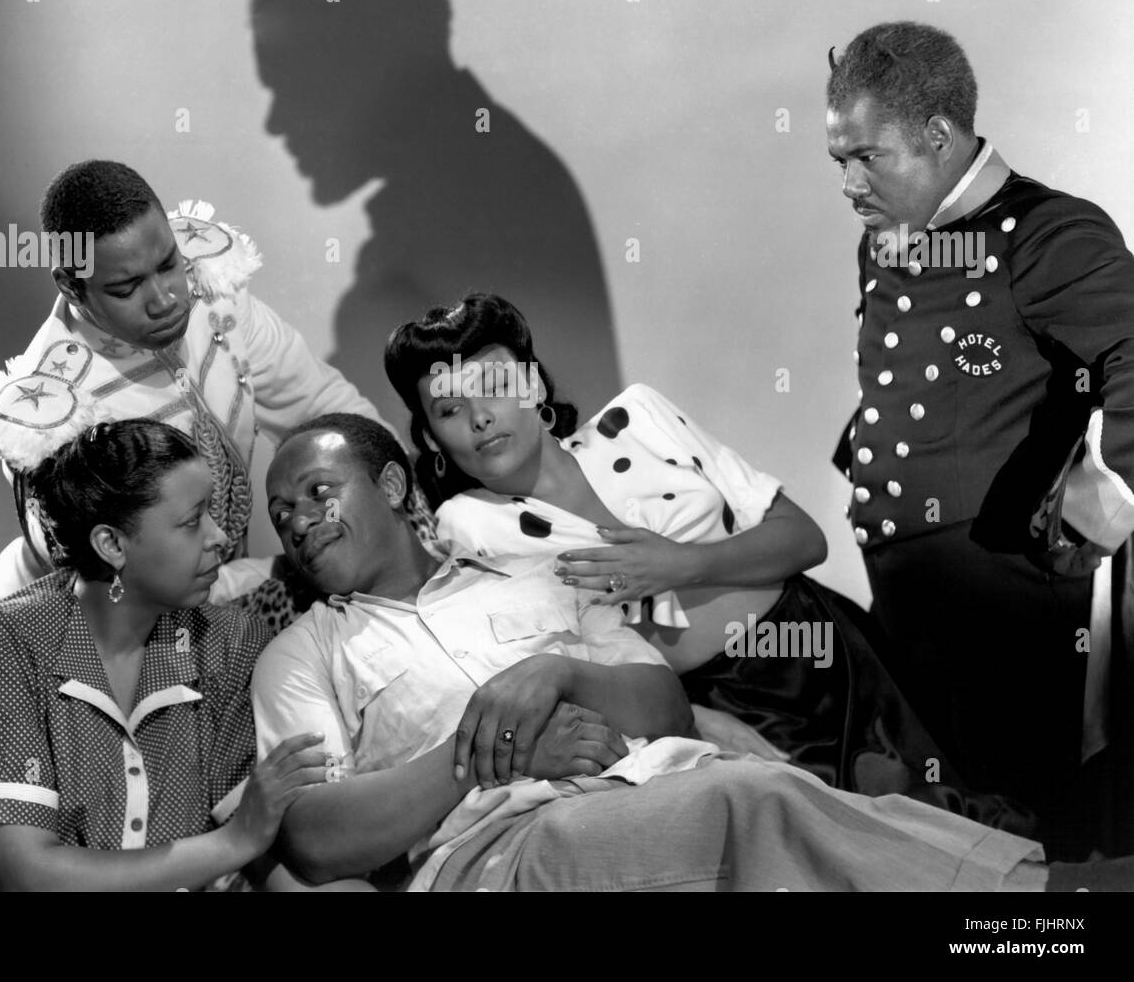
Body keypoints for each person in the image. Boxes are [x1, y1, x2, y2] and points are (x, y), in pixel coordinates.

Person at [251, 413, 1131, 891]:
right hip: (506, 846)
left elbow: (661, 703)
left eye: (317, 492)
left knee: (788, 795)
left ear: (395, 486)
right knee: (752, 802)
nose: (297, 521)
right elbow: (316, 837)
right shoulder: (303, 651)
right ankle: (1055, 902)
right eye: (283, 512)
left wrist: (558, 674)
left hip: (659, 776)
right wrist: (495, 749)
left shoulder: (533, 572)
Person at [381, 293, 1028, 830]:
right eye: (448, 409)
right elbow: (571, 656)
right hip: (725, 706)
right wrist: (700, 721)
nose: (480, 418)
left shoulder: (637, 418)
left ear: (531, 380)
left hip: (827, 642)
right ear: (432, 437)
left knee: (975, 815)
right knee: (877, 847)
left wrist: (679, 564)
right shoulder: (471, 527)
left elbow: (804, 538)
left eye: (492, 386)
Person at [825, 21, 1134, 856]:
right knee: (946, 831)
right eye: (838, 160)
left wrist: (1104, 501)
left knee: (1030, 838)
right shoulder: (885, 234)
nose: (849, 183)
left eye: (866, 158)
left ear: (939, 133)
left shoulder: (1050, 231)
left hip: (1007, 599)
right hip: (910, 587)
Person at [0, 419, 329, 892]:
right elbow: (32, 877)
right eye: (193, 521)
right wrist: (233, 843)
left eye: (211, 511)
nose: (220, 537)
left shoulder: (230, 644)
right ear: (111, 544)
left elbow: (264, 845)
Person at [0, 159, 386, 609]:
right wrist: (277, 575)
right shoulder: (51, 417)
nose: (166, 299)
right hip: (85, 644)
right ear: (71, 287)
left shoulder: (213, 287)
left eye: (169, 264)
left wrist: (401, 505)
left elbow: (324, 412)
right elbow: (124, 596)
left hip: (220, 599)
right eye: (126, 289)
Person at [249, 0, 620, 419]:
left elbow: (385, 437)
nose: (275, 122)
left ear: (361, 63)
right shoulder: (487, 171)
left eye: (289, 82)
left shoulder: (478, 197)